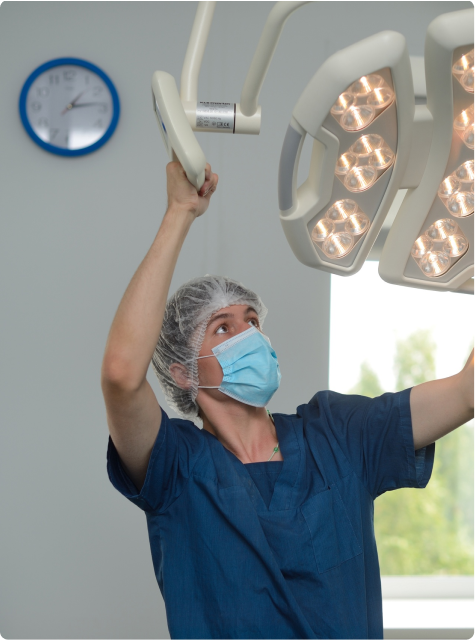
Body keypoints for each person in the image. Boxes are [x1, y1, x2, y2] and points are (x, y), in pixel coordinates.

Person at [101, 162, 475, 640]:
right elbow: (120, 374)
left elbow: (466, 392)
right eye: (223, 328)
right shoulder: (176, 467)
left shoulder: (337, 434)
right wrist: (179, 212)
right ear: (183, 371)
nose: (249, 335)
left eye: (252, 321)